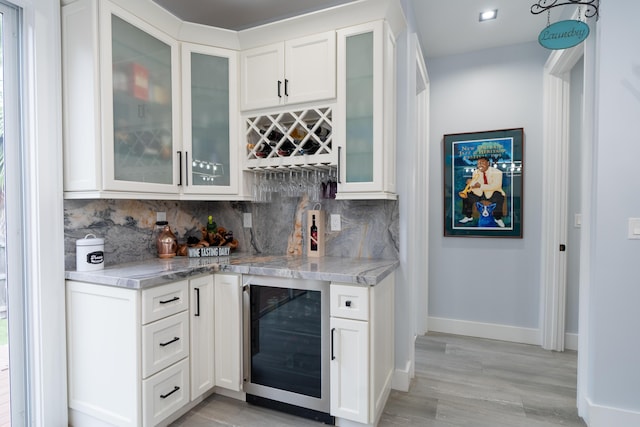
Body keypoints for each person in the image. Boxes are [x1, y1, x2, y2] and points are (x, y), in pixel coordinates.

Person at [458, 157, 506, 227]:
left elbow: (496, 186)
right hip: (479, 192)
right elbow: (475, 184)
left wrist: (481, 186)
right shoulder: (476, 172)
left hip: (492, 192)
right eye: (478, 163)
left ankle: (497, 218)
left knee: (499, 196)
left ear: (488, 163)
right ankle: (468, 216)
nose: (480, 165)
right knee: (467, 196)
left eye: (482, 163)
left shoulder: (497, 172)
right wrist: (470, 184)